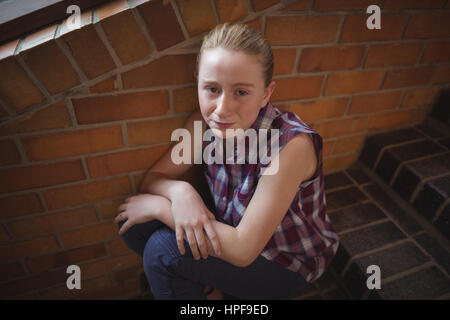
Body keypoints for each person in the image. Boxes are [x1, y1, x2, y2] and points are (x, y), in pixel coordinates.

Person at [114, 23, 339, 300]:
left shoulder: (290, 146)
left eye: (241, 92)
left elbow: (244, 250)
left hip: (284, 261)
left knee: (162, 250)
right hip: (232, 226)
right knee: (134, 221)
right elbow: (154, 178)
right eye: (212, 89)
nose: (222, 109)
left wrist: (163, 208)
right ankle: (209, 289)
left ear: (266, 93)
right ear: (198, 82)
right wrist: (181, 192)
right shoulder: (202, 123)